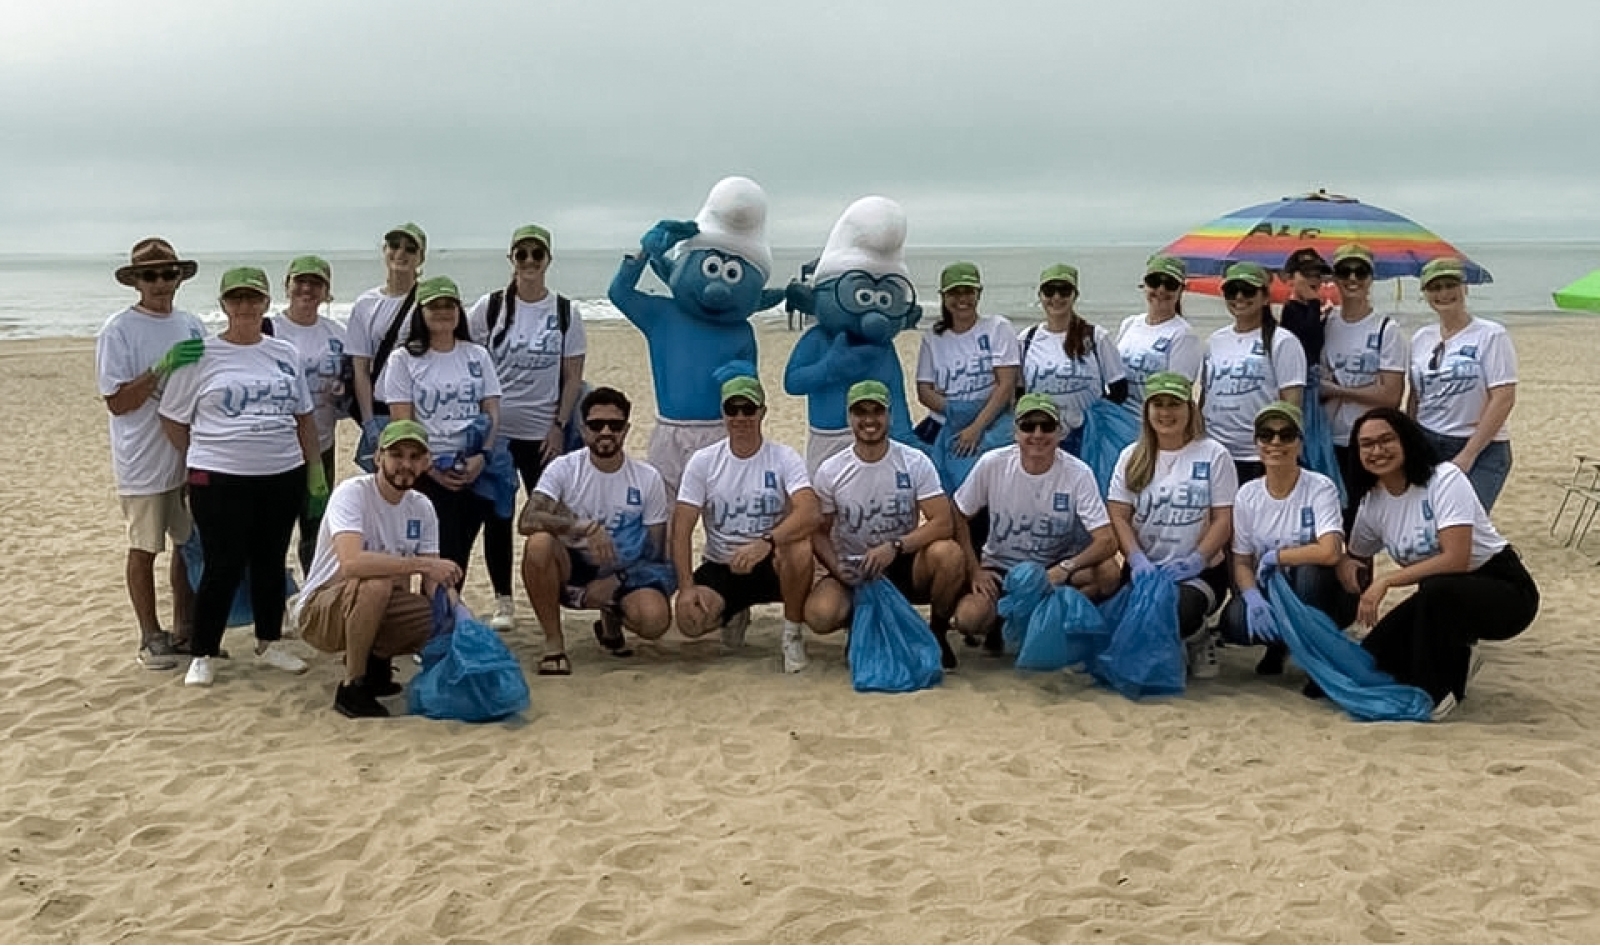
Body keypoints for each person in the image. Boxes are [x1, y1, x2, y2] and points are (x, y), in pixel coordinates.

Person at [159, 267, 325, 687]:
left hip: (281, 473)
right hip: (218, 477)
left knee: (270, 560)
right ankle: (203, 651)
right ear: (223, 305)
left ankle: (269, 642)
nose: (245, 306)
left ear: (266, 303)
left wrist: (314, 470)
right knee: (222, 563)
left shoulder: (284, 352)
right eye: (236, 299)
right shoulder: (201, 354)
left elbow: (304, 416)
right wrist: (202, 455)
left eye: (253, 298)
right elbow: (173, 419)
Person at [1336, 408, 1539, 720]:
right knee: (1370, 659)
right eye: (1367, 444)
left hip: (1504, 592)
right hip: (1438, 601)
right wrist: (1346, 566)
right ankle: (1460, 653)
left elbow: (1456, 559)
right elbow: (1356, 555)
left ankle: (1441, 691)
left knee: (1438, 588)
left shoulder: (1444, 479)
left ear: (1406, 440)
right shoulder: (1372, 502)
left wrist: (1386, 581)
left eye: (1386, 440)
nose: (1377, 450)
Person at [297, 419, 464, 718]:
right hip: (322, 608)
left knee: (440, 618)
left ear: (426, 462)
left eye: (415, 457)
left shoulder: (422, 506)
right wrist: (423, 564)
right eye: (396, 455)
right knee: (377, 582)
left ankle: (377, 662)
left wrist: (459, 612)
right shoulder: (352, 492)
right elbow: (351, 563)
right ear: (377, 458)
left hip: (376, 603)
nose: (405, 464)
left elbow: (432, 582)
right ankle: (352, 686)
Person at [468, 224, 588, 632]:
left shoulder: (565, 312)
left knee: (548, 517)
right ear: (512, 259)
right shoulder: (491, 307)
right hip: (497, 434)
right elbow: (466, 359)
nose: (530, 261)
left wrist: (558, 425)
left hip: (543, 435)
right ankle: (503, 600)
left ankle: (558, 590)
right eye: (522, 254)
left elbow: (572, 377)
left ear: (549, 259)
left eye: (538, 254)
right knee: (498, 517)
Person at [96, 237, 206, 669]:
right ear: (136, 281)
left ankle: (185, 628)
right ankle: (149, 635)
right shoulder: (118, 330)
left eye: (168, 273)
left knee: (187, 543)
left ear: (179, 277)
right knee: (144, 547)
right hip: (142, 460)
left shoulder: (192, 325)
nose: (160, 282)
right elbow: (117, 401)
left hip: (189, 455)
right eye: (150, 275)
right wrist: (161, 367)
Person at [804, 381, 968, 668]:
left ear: (889, 415)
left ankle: (938, 632)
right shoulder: (831, 470)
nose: (869, 420)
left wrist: (896, 546)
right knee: (821, 615)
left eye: (877, 411)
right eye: (861, 412)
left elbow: (943, 522)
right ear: (849, 417)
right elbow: (819, 532)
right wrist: (837, 567)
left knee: (949, 554)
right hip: (855, 565)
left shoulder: (914, 462)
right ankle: (859, 623)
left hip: (902, 558)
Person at [519, 386, 673, 676]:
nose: (605, 432)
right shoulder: (563, 468)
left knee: (654, 621)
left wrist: (618, 579)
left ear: (626, 430)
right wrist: (583, 527)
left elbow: (655, 550)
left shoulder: (647, 478)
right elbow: (527, 519)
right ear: (583, 429)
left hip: (624, 570)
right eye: (596, 424)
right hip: (572, 566)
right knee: (538, 544)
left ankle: (611, 616)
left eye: (614, 425)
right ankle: (554, 644)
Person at [671, 375, 819, 673]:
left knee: (799, 549)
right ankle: (734, 611)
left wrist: (766, 542)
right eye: (732, 409)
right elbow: (681, 529)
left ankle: (791, 635)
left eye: (748, 409)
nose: (740, 417)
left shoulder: (783, 457)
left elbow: (810, 511)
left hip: (771, 561)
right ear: (723, 413)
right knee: (689, 621)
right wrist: (686, 587)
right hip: (723, 563)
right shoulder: (704, 461)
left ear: (762, 412)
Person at [950, 393, 1120, 650]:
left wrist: (1065, 568)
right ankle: (1010, 620)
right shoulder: (992, 464)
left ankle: (1048, 617)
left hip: (1054, 569)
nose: (1037, 434)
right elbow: (958, 513)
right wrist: (975, 570)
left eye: (1047, 426)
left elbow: (1107, 540)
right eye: (1028, 426)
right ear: (1015, 432)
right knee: (968, 618)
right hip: (1002, 569)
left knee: (1109, 572)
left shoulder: (1078, 473)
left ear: (1060, 432)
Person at [378, 276, 504, 598]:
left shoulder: (477, 355)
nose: (443, 312)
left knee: (459, 552)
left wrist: (483, 456)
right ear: (421, 312)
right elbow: (402, 421)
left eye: (450, 305)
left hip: (473, 466)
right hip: (427, 470)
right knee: (432, 549)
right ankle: (425, 616)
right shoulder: (403, 359)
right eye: (435, 306)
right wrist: (430, 467)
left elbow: (492, 410)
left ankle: (444, 613)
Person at [1106, 372, 1237, 680]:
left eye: (1174, 404)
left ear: (1190, 409)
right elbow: (1118, 515)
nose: (1166, 413)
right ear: (1147, 411)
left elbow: (1224, 519)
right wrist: (1136, 559)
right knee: (1121, 625)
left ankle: (1197, 637)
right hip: (1146, 569)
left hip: (1199, 573)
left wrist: (1197, 559)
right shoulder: (1131, 456)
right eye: (1159, 404)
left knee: (1179, 610)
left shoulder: (1214, 454)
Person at [1220, 401, 1352, 676]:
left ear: (1300, 443)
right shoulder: (1247, 494)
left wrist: (1277, 557)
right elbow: (1242, 561)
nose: (1275, 442)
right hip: (1273, 587)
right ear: (1257, 443)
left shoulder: (1320, 486)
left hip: (1318, 587)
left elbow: (1330, 551)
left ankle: (1319, 653)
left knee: (1308, 573)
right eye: (1266, 435)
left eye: (1286, 435)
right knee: (1234, 622)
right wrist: (1252, 597)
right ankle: (1280, 644)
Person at [1407, 256, 1517, 512]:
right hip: (1429, 441)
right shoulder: (1421, 338)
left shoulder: (1491, 334)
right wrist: (1411, 440)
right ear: (1425, 294)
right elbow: (1416, 395)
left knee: (1466, 522)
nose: (1444, 294)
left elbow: (1503, 398)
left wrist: (1469, 453)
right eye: (1435, 288)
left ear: (1464, 288)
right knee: (1428, 520)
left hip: (1482, 446)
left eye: (1450, 285)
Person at [1318, 243, 1406, 529]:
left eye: (1361, 271)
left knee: (1364, 523)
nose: (1352, 278)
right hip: (1329, 440)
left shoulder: (1386, 329)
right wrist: (1366, 389)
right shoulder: (1324, 322)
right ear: (1334, 277)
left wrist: (1338, 390)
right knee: (1330, 521)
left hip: (1369, 443)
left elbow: (1391, 396)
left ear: (1371, 278)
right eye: (1345, 271)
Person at [270, 255, 348, 574]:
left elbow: (349, 393)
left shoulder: (338, 334)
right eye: (300, 281)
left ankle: (314, 594)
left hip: (322, 445)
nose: (307, 288)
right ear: (286, 285)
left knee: (315, 531)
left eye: (316, 283)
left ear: (327, 291)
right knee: (273, 531)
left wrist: (343, 393)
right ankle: (276, 597)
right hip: (277, 449)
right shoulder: (269, 329)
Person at [915, 261, 1021, 490]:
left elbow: (1006, 384)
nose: (962, 299)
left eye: (968, 292)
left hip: (991, 422)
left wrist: (976, 427)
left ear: (978, 294)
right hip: (946, 424)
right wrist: (954, 410)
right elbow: (924, 391)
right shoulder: (933, 337)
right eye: (954, 292)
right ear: (943, 297)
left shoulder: (997, 328)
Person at [1201, 261, 1307, 483]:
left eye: (1248, 290)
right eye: (1232, 291)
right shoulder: (1214, 341)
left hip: (1259, 454)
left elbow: (1292, 405)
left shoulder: (1283, 341)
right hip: (1216, 451)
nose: (1239, 297)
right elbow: (1205, 395)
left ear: (1265, 297)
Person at [1019, 263, 1128, 454]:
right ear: (1040, 295)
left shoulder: (1095, 337)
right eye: (1049, 291)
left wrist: (1092, 418)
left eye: (1064, 291)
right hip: (1041, 435)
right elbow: (1018, 392)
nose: (1056, 297)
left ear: (1075, 295)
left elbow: (1119, 389)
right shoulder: (1026, 339)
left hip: (1087, 436)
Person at [347, 222, 426, 429]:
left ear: (420, 258)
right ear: (384, 250)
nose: (401, 253)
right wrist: (368, 421)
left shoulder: (429, 302)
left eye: (410, 249)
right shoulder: (365, 304)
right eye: (394, 245)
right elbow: (361, 368)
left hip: (424, 409)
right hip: (382, 407)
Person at [1116, 254, 1204, 406]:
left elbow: (1177, 395)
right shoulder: (1129, 324)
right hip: (1117, 414)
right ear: (1144, 285)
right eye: (1154, 282)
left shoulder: (1183, 335)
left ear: (1181, 290)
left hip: (1149, 417)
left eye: (1170, 284)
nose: (1161, 290)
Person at [1279, 247, 1334, 370]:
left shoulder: (1311, 309)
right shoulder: (1290, 309)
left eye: (1317, 275)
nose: (1313, 279)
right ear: (1291, 278)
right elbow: (1309, 334)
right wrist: (1314, 300)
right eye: (1307, 274)